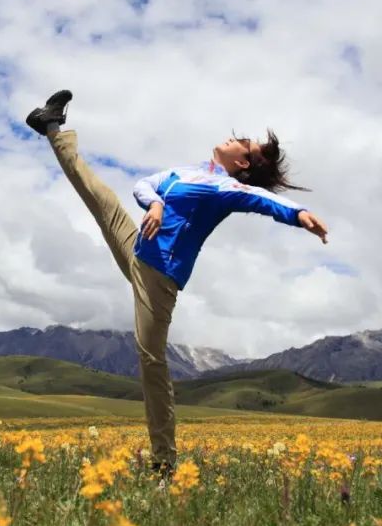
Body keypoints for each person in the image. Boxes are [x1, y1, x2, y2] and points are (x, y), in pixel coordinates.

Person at [25, 89, 329, 477]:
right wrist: (154, 204)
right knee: (99, 196)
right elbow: (143, 185)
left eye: (241, 142)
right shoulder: (186, 172)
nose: (232, 138)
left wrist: (299, 214)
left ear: (242, 162)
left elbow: (262, 199)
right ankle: (51, 125)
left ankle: (164, 461)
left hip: (160, 276)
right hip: (138, 246)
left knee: (152, 361)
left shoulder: (227, 188)